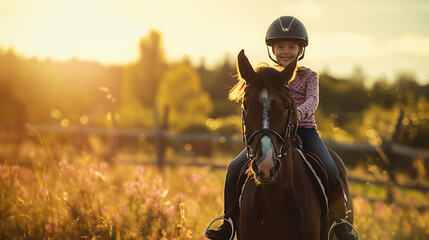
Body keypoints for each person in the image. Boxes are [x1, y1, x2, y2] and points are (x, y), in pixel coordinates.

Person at [205, 16, 357, 240]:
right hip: (272, 134)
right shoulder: (265, 77)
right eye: (280, 47)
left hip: (304, 130)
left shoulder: (309, 76)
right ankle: (228, 221)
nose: (286, 51)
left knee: (331, 167)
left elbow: (312, 101)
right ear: (273, 49)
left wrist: (298, 113)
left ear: (300, 49)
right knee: (233, 168)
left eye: (291, 47)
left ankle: (339, 223)